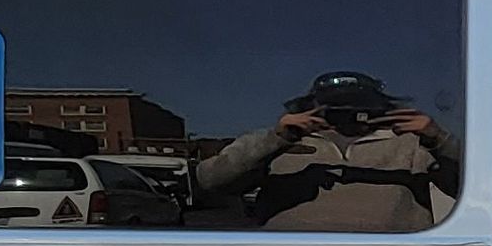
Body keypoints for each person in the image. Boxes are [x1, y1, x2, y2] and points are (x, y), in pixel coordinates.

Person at [195, 71, 459, 232]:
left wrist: (438, 139)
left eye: (358, 104)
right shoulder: (276, 141)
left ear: (380, 107)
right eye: (335, 105)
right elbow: (211, 180)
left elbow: (472, 190)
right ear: (309, 105)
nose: (347, 113)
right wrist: (278, 138)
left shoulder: (413, 144)